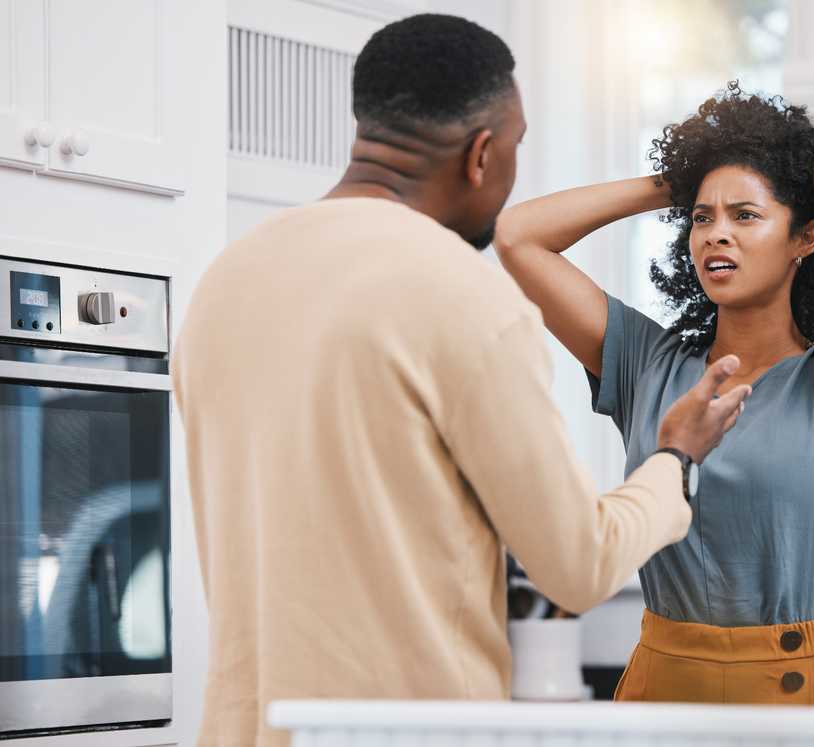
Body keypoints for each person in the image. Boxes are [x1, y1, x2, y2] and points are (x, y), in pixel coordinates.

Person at [173, 15, 750, 746]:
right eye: (516, 149)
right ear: (482, 155)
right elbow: (578, 563)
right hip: (402, 732)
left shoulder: (223, 284)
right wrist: (676, 459)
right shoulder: (463, 295)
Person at [494, 82, 814, 706]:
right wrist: (679, 179)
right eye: (703, 218)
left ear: (805, 239)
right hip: (663, 689)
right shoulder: (648, 364)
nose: (714, 234)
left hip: (803, 696)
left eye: (745, 216)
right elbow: (517, 236)